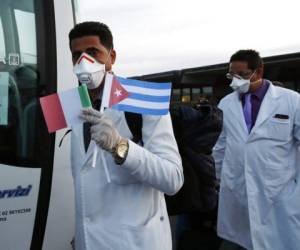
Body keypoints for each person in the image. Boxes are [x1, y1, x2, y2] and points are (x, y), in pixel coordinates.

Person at [68, 21, 183, 250]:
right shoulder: (71, 104)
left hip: (134, 243)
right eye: (77, 54)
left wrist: (121, 147)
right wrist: (82, 233)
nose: (84, 62)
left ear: (111, 56)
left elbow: (173, 179)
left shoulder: (144, 100)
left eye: (92, 53)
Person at [213, 49, 300, 250]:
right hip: (238, 190)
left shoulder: (291, 101)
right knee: (240, 241)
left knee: (281, 242)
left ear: (258, 72)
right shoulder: (226, 104)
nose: (235, 80)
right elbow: (221, 146)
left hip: (279, 193)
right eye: (231, 75)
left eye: (241, 75)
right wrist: (215, 179)